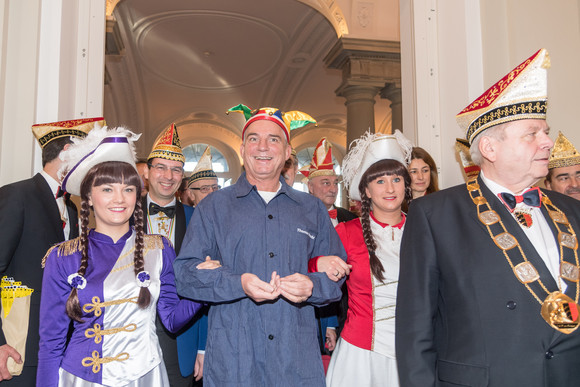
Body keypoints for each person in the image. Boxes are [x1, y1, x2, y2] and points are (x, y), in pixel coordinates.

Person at [396, 48, 580, 387]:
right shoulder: (435, 215)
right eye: (532, 134)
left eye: (546, 131)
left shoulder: (572, 211)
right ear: (491, 149)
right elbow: (414, 330)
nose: (548, 142)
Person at [174, 105, 346, 386]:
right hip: (234, 362)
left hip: (296, 360)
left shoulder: (311, 209)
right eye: (254, 138)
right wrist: (237, 282)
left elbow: (336, 274)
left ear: (288, 151)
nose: (262, 147)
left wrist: (313, 285)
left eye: (273, 139)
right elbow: (185, 275)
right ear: (242, 149)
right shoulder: (213, 208)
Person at [37, 125, 203, 386]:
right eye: (107, 189)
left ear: (138, 195)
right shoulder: (63, 257)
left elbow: (171, 320)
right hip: (83, 378)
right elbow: (51, 344)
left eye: (128, 189)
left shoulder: (159, 250)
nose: (119, 199)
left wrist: (206, 287)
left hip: (145, 376)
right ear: (89, 196)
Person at [0, 117, 100, 385]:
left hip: (60, 347)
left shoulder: (71, 209)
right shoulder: (17, 196)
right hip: (19, 347)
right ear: (68, 152)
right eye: (88, 155)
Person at [325, 131, 412, 387]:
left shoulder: (424, 230)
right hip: (360, 356)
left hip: (414, 353)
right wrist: (319, 265)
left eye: (396, 179)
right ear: (366, 190)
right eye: (380, 181)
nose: (390, 188)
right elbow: (312, 272)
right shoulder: (346, 233)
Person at [142, 123, 206, 386]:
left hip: (183, 338)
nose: (168, 175)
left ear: (183, 178)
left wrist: (203, 347)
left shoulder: (199, 219)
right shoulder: (121, 215)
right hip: (131, 334)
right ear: (146, 172)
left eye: (176, 169)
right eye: (161, 167)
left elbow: (206, 284)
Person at [300, 137, 357, 354]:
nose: (332, 188)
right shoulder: (298, 219)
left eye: (335, 183)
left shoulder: (350, 218)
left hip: (350, 304)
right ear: (310, 187)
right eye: (325, 183)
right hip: (315, 306)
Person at [544, 131, 580, 200]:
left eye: (579, 177)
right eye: (564, 178)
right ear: (548, 185)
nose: (574, 184)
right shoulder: (538, 210)